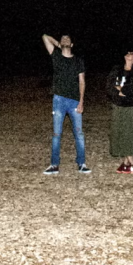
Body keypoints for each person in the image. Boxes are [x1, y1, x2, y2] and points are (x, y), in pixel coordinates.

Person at [42, 34, 90, 175]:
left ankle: (81, 163)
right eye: (63, 39)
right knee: (57, 133)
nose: (65, 40)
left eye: (68, 39)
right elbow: (45, 36)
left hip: (74, 100)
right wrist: (58, 43)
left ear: (72, 44)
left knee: (79, 134)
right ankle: (54, 165)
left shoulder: (78, 61)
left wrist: (81, 101)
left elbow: (82, 82)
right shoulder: (56, 56)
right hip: (59, 100)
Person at [108, 49, 133, 173]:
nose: (129, 53)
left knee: (130, 131)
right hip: (118, 105)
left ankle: (131, 163)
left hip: (131, 106)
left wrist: (122, 90)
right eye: (128, 52)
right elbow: (110, 85)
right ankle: (126, 163)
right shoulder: (117, 70)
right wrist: (119, 91)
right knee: (120, 131)